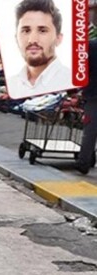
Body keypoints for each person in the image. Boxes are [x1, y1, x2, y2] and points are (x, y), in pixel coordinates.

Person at [6, 0, 71, 99]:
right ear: (16, 39)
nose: (32, 40)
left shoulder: (70, 80)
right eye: (26, 31)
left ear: (58, 39)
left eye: (42, 31)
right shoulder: (12, 84)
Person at [78, 21, 97, 174]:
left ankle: (84, 162)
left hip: (92, 94)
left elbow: (83, 69)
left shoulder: (90, 46)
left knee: (90, 130)